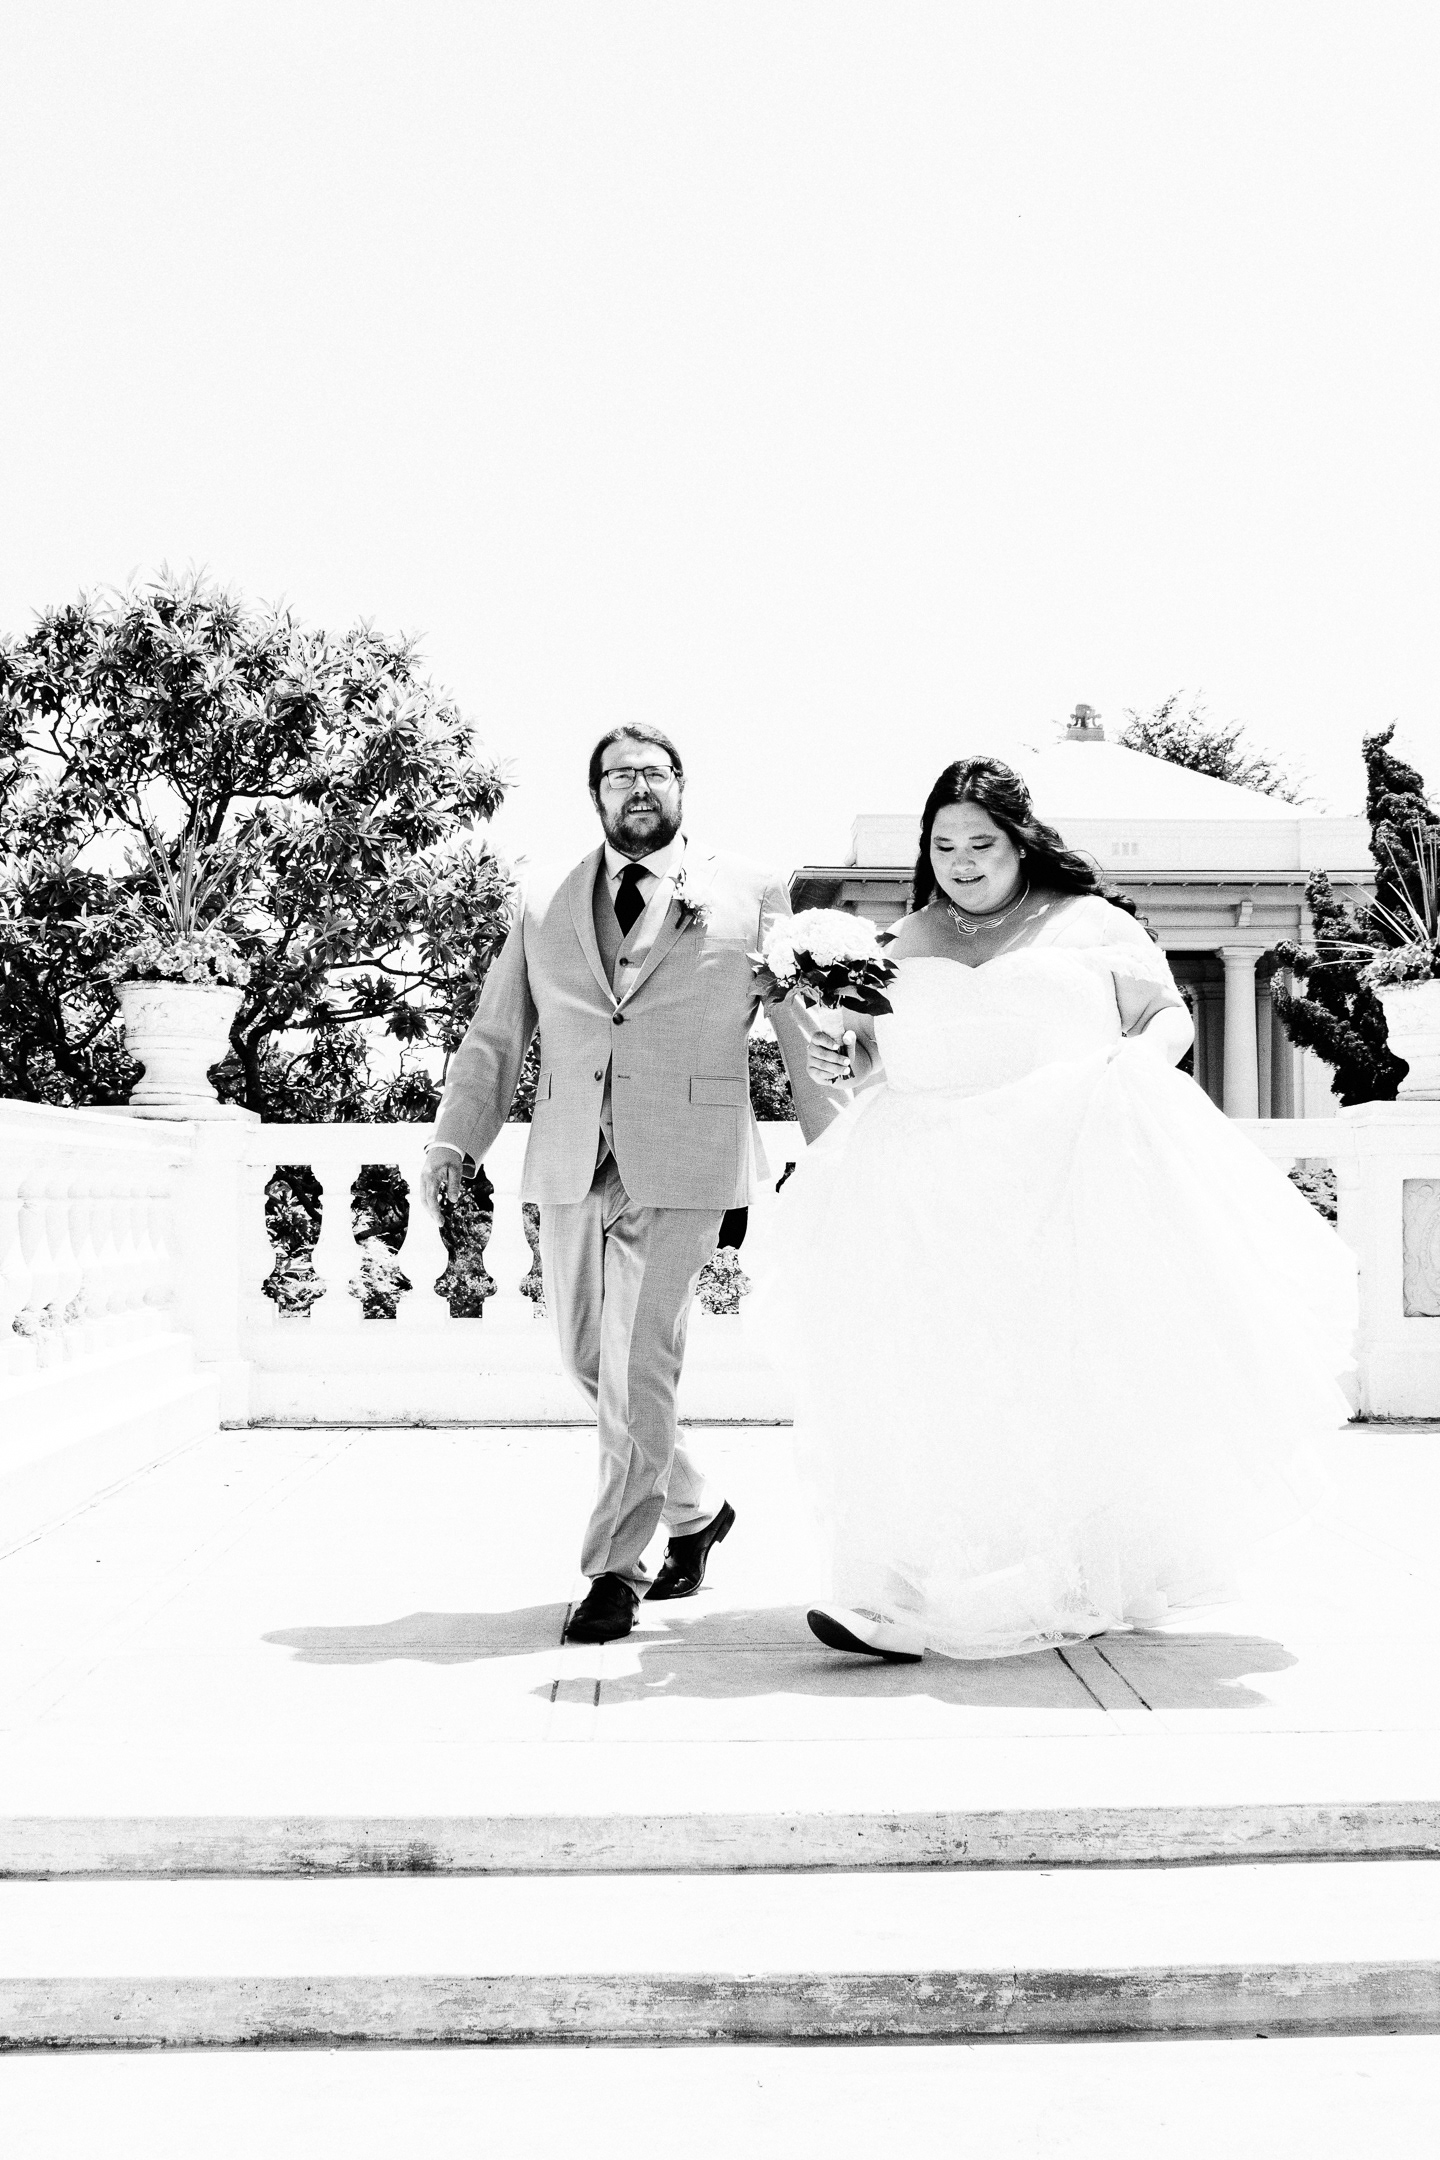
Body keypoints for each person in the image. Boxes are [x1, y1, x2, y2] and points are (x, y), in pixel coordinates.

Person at [769, 756, 1357, 1664]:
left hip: (1061, 1175)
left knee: (1059, 1379)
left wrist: (1129, 1075)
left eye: (981, 842)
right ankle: (895, 1591)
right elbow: (878, 1055)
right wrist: (838, 1047)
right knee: (924, 1379)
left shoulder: (1090, 923)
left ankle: (1070, 1573)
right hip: (928, 1191)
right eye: (944, 845)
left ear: (1020, 843)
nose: (962, 861)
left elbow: (1167, 1018)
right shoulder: (897, 940)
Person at [421, 727, 832, 1643]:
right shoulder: (544, 896)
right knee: (585, 1358)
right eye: (619, 777)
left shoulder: (753, 889)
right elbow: (498, 1032)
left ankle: (613, 1569)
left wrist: (838, 1142)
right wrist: (457, 1138)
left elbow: (801, 1029)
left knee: (640, 1361)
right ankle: (697, 1509)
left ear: (682, 785)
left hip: (687, 1156)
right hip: (572, 1155)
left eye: (654, 773)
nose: (637, 788)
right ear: (595, 794)